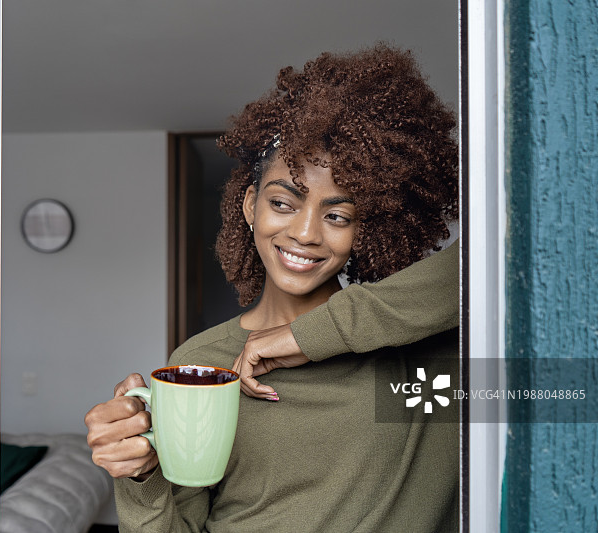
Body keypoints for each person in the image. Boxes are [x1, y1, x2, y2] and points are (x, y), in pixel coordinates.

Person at [85, 45, 460, 532]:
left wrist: (310, 337)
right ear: (249, 206)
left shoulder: (416, 359)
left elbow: (521, 270)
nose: (306, 232)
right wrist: (141, 477)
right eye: (283, 203)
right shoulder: (205, 362)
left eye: (338, 216)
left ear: (367, 229)